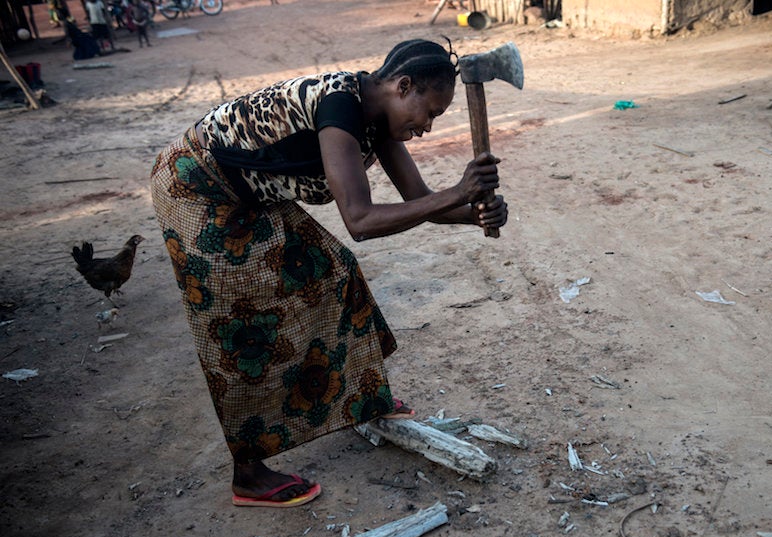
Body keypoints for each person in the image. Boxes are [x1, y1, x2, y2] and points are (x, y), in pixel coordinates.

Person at [150, 39, 507, 508]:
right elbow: (360, 221)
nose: (428, 126)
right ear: (403, 87)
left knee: (330, 273)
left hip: (248, 194)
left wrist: (474, 213)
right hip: (195, 187)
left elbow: (421, 202)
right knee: (242, 325)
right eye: (430, 112)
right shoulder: (340, 108)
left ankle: (363, 400)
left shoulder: (380, 119)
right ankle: (248, 473)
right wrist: (459, 191)